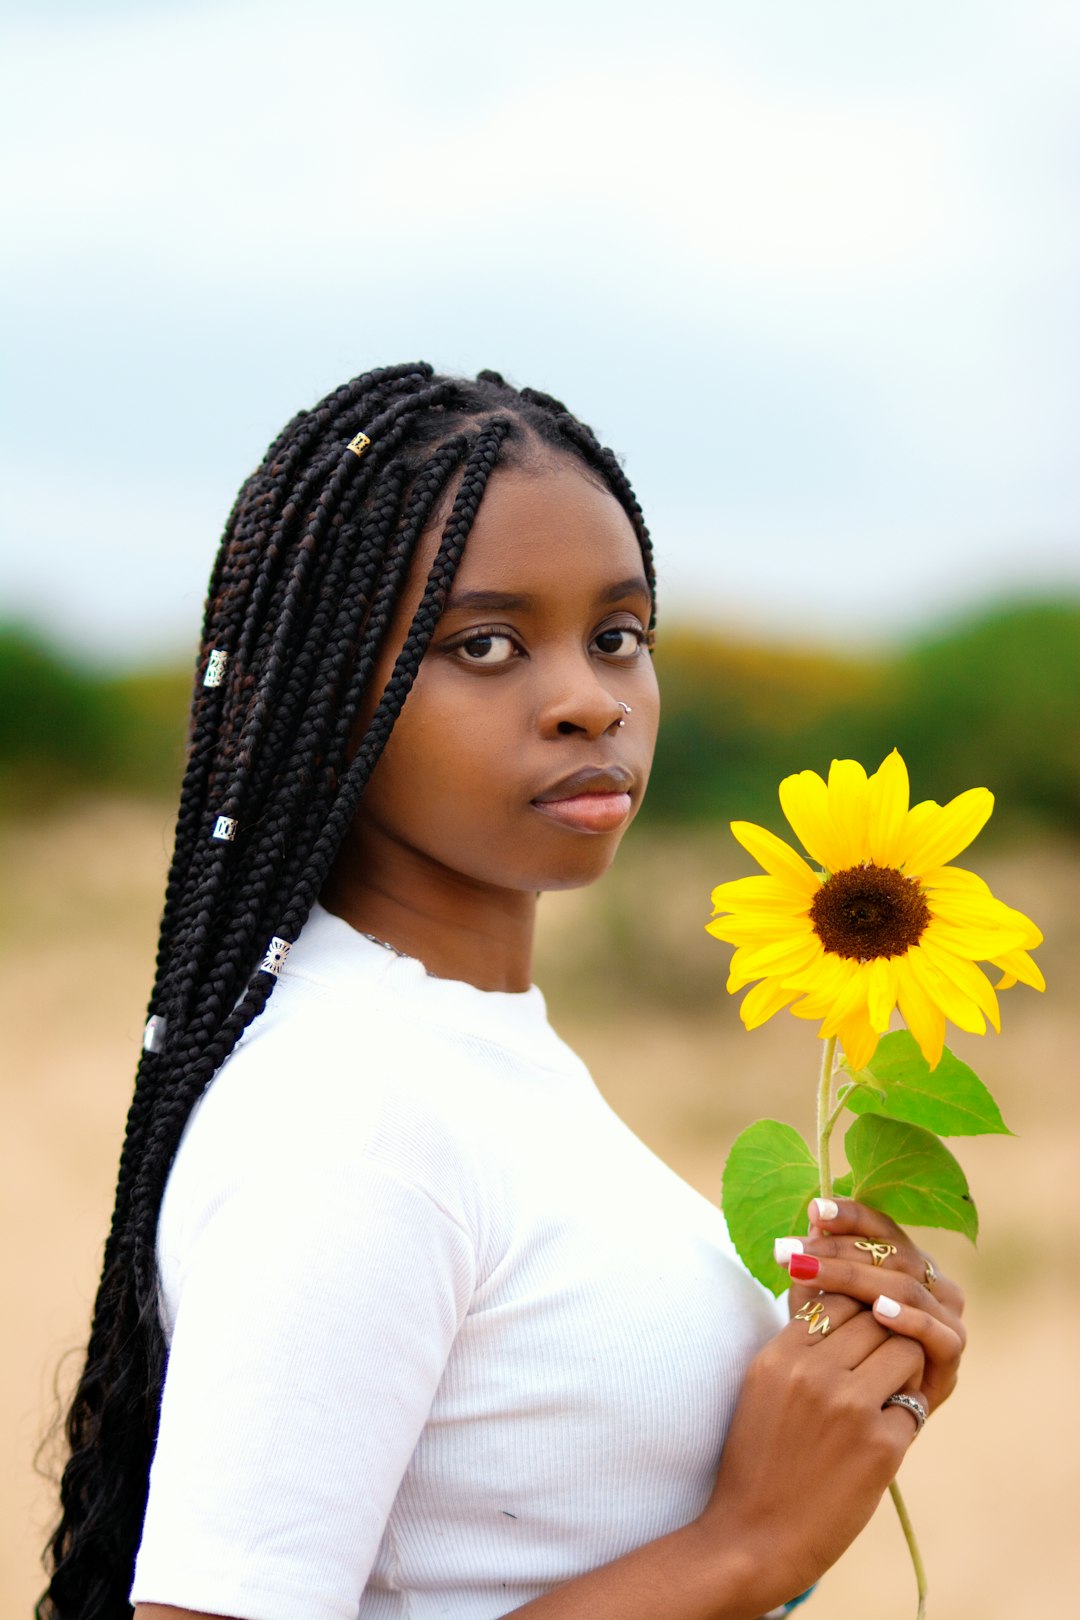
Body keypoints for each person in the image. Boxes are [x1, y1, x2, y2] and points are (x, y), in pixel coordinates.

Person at [40, 364, 966, 1620]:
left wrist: (845, 1388)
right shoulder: (354, 1120)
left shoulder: (464, 1052)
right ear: (317, 696)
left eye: (619, 636)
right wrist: (746, 1545)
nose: (591, 701)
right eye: (484, 644)